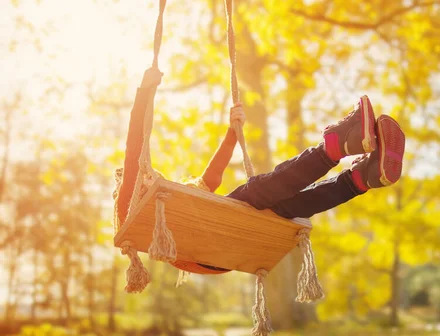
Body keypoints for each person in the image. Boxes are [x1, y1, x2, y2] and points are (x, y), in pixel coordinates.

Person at [116, 68, 405, 270]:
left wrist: (232, 133)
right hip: (203, 248)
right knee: (253, 191)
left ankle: (359, 179)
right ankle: (335, 145)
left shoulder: (183, 199)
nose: (152, 175)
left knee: (287, 206)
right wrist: (144, 93)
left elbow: (212, 177)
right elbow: (134, 147)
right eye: (148, 174)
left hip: (223, 247)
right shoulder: (133, 200)